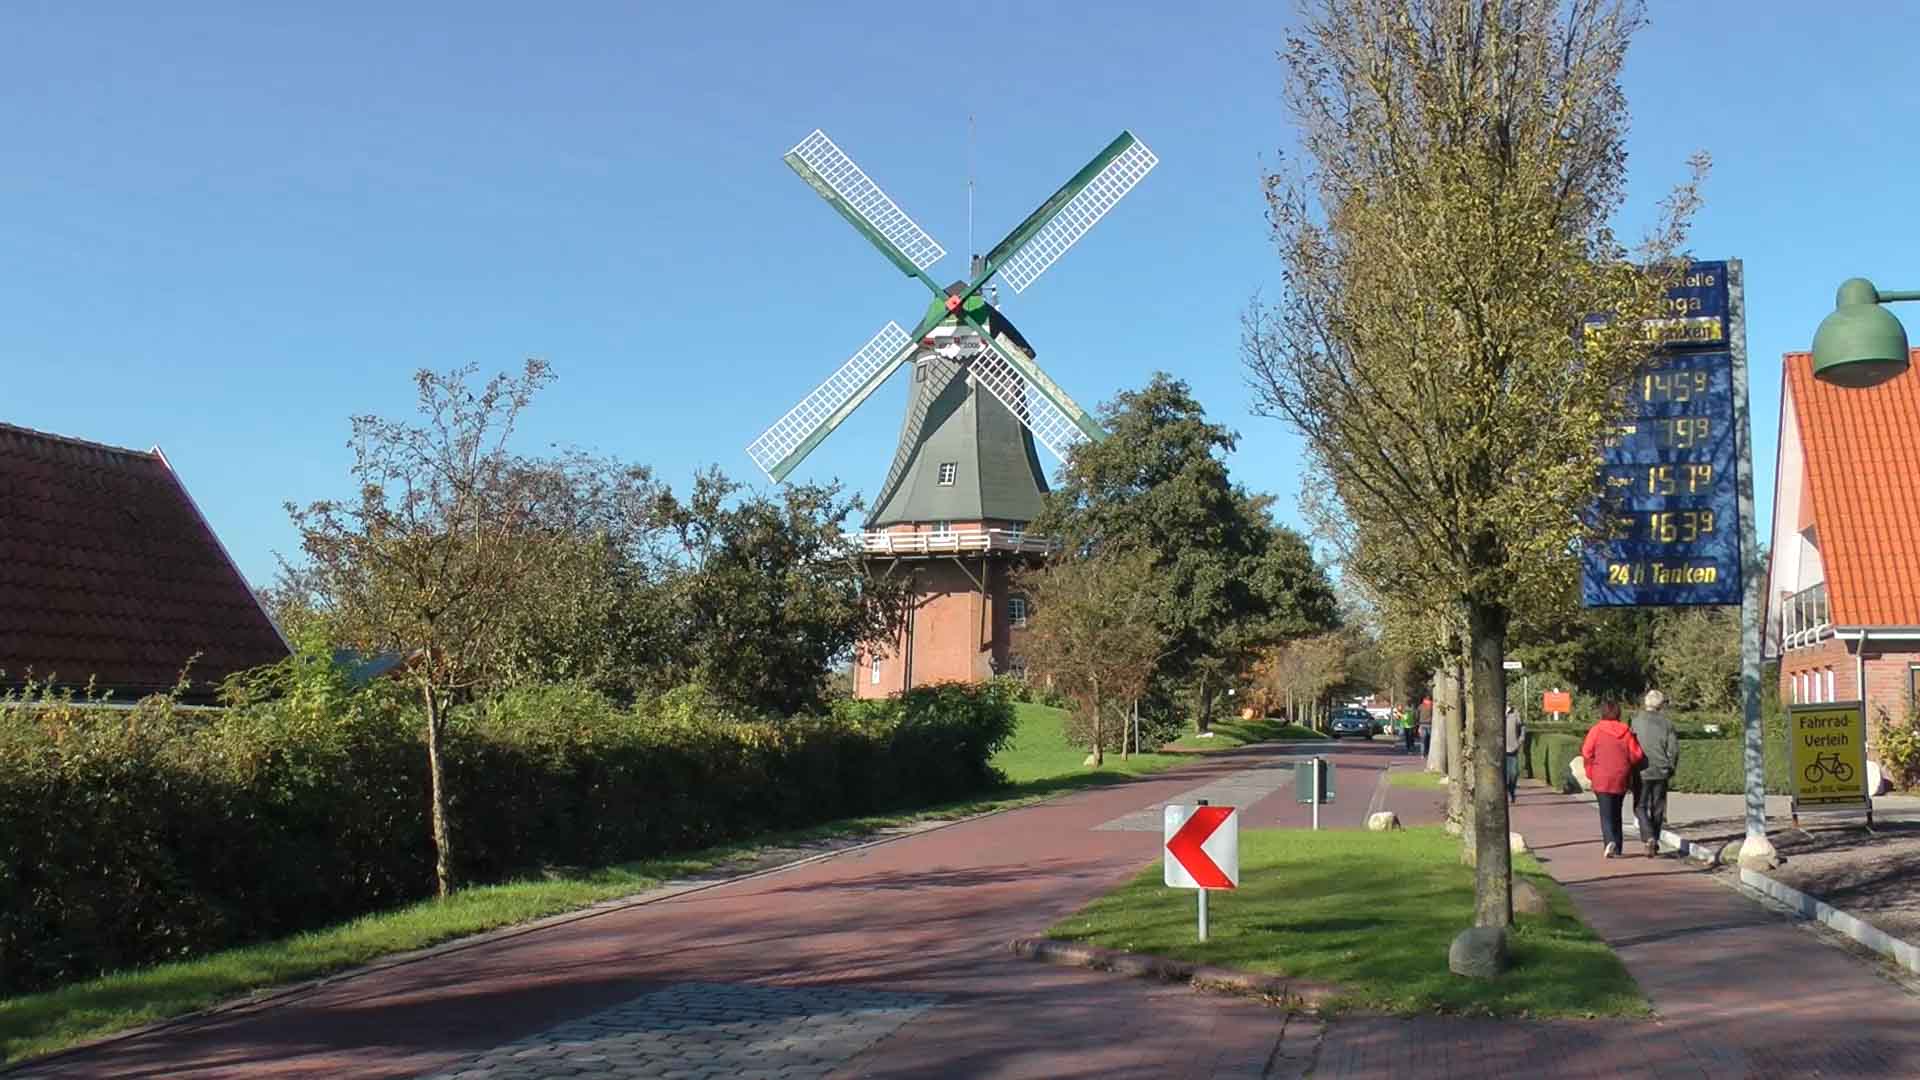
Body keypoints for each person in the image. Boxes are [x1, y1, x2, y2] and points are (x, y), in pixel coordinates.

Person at [1581, 701, 1645, 858]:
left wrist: (1590, 770)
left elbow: (1587, 752)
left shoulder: (1596, 730)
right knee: (1617, 811)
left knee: (1605, 813)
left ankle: (1609, 841)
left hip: (1601, 776)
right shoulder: (1626, 731)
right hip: (1621, 776)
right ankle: (1618, 846)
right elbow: (1636, 754)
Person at [1631, 689, 1680, 857]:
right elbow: (1673, 749)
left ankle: (1649, 836)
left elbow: (1630, 745)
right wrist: (1671, 767)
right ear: (1661, 704)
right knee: (1658, 807)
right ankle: (1655, 838)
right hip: (1661, 769)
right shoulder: (1667, 724)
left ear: (1646, 702)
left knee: (1640, 806)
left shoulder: (1636, 721)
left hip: (1641, 770)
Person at [1504, 706, 1525, 802]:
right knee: (1504, 775)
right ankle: (1506, 794)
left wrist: (1520, 740)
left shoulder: (1515, 713)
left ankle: (1512, 791)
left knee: (1514, 773)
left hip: (1513, 749)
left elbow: (1522, 727)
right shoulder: (1497, 711)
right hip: (1500, 750)